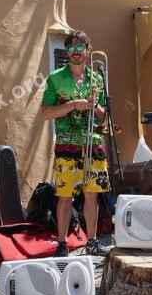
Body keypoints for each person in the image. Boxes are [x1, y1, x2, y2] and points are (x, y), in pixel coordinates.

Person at [41, 30, 111, 257]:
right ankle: (61, 243)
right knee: (65, 196)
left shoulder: (97, 78)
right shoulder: (55, 78)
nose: (76, 52)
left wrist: (94, 105)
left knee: (92, 194)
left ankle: (91, 241)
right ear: (67, 51)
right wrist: (74, 104)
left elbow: (103, 118)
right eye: (71, 48)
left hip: (93, 142)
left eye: (80, 48)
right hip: (67, 144)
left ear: (88, 50)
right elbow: (46, 113)